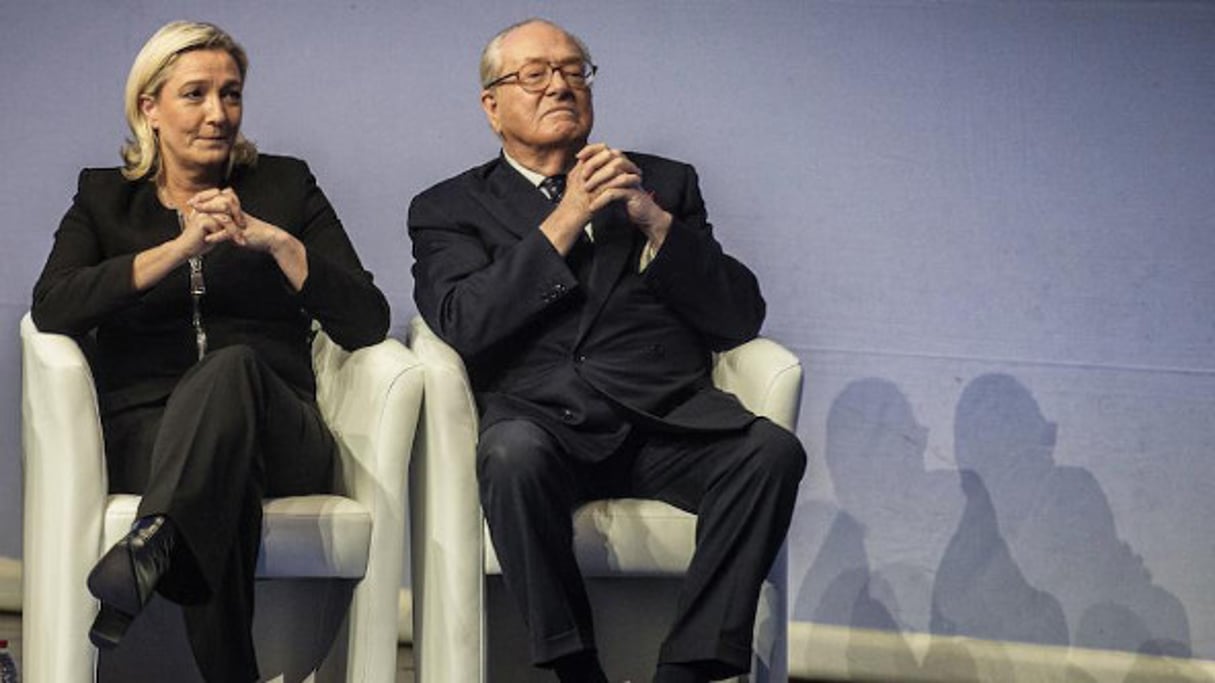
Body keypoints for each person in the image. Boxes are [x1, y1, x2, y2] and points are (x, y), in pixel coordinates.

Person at [408, 18, 806, 683]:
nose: (559, 85)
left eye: (573, 71)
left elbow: (738, 316)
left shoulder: (662, 184)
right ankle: (575, 667)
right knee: (510, 455)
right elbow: (463, 321)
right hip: (546, 427)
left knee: (769, 451)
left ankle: (687, 668)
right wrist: (567, 216)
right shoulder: (449, 206)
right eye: (534, 74)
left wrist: (652, 221)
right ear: (491, 106)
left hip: (666, 422)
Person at [31, 21, 389, 682]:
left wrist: (277, 244)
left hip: (281, 428)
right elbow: (54, 303)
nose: (218, 114)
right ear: (150, 108)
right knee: (221, 478)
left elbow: (367, 321)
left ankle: (152, 538)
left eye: (231, 94)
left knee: (233, 367)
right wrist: (176, 250)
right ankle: (215, 637)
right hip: (152, 432)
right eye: (195, 94)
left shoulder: (285, 186)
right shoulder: (105, 196)